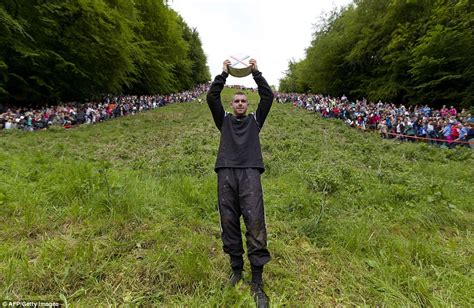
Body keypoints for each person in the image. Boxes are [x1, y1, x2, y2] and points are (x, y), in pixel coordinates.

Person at [207, 58, 273, 308]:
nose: (240, 103)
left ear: (248, 104)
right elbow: (212, 98)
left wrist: (255, 73)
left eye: (244, 100)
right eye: (236, 101)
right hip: (226, 172)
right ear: (231, 104)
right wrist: (223, 74)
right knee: (229, 221)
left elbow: (268, 97)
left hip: (250, 173)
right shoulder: (223, 120)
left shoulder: (255, 121)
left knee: (255, 221)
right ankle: (236, 270)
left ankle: (257, 280)